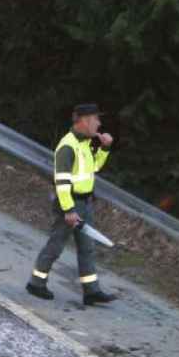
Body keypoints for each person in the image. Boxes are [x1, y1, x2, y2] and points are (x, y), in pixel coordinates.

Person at [27, 103, 117, 306]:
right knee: (56, 245)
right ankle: (36, 283)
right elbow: (62, 182)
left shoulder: (84, 143)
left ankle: (91, 291)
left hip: (84, 203)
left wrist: (105, 148)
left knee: (87, 248)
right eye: (96, 119)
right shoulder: (68, 146)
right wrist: (68, 210)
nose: (99, 123)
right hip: (70, 204)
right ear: (85, 121)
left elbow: (94, 167)